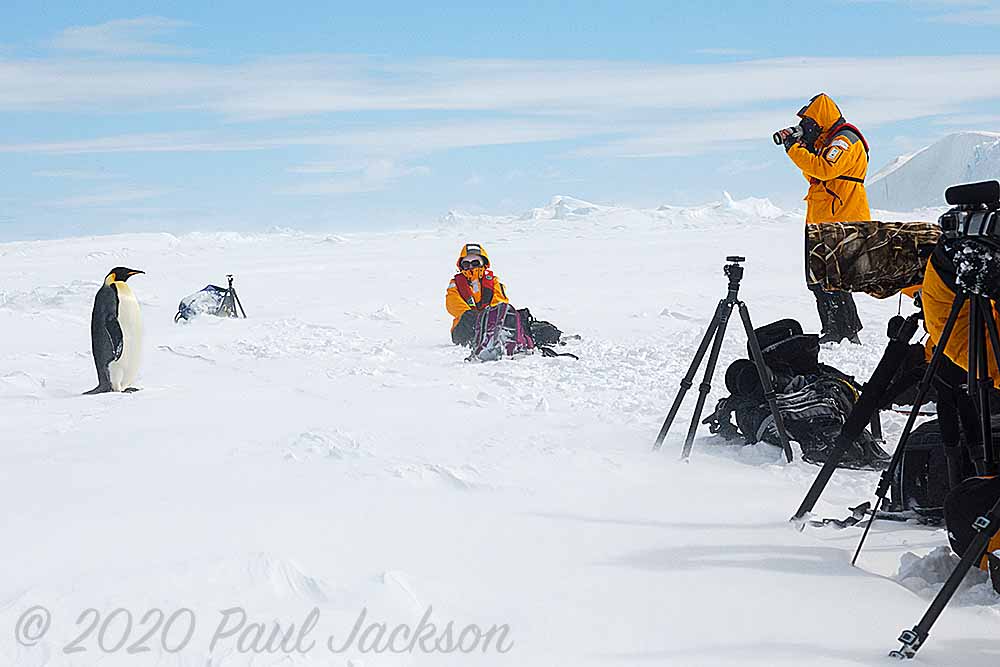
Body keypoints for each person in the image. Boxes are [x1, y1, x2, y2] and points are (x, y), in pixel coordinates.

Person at [779, 92, 870, 345]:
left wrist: (795, 150)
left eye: (808, 123)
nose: (806, 128)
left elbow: (825, 168)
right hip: (823, 219)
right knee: (817, 281)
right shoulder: (829, 142)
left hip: (841, 218)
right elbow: (816, 176)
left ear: (820, 119)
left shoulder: (845, 140)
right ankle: (832, 330)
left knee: (834, 281)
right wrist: (806, 149)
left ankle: (847, 332)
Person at [446, 243, 509, 346]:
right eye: (466, 264)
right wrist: (476, 317)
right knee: (468, 316)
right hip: (464, 329)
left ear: (483, 263)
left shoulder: (493, 281)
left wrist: (487, 317)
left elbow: (500, 302)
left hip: (491, 325)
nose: (470, 266)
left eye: (475, 263)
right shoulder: (455, 283)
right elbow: (452, 303)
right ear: (461, 266)